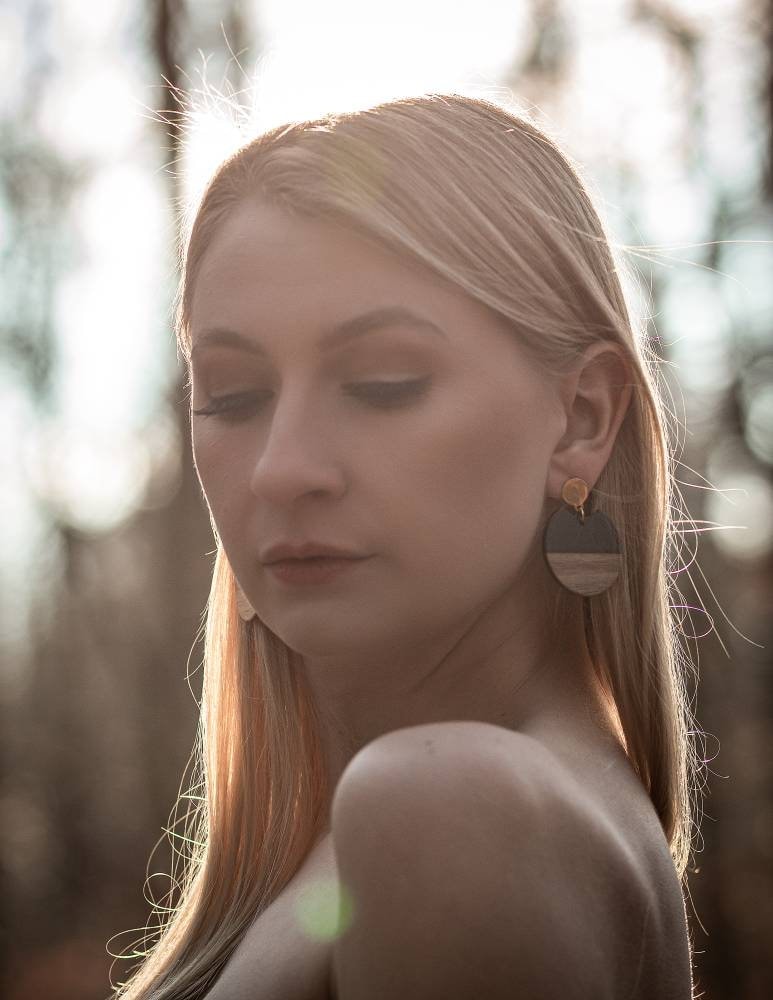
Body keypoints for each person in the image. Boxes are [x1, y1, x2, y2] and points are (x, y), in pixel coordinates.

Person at [113, 92, 698, 999]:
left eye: (384, 382)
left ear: (581, 417)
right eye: (231, 395)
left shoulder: (451, 811)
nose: (280, 468)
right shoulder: (437, 824)